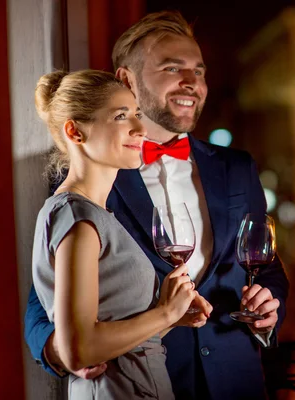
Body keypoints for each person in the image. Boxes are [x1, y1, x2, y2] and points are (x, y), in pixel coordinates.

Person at [25, 11, 290, 400]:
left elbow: (267, 269)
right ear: (126, 80)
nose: (192, 82)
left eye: (198, 71)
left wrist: (270, 309)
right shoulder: (89, 175)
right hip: (137, 380)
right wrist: (60, 351)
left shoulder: (238, 168)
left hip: (236, 382)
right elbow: (43, 293)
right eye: (172, 68)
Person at [31, 69, 213, 399]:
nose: (141, 129)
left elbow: (118, 338)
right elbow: (78, 349)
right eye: (121, 116)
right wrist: (164, 313)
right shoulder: (77, 216)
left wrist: (172, 317)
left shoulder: (97, 215)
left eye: (138, 115)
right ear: (75, 131)